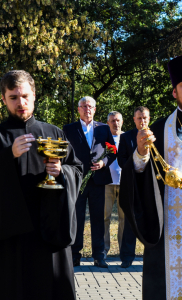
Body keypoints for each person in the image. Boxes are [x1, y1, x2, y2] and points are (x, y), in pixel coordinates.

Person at [0, 70, 83, 300]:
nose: (21, 103)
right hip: (12, 234)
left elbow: (77, 169)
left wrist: (61, 172)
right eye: (13, 97)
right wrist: (8, 154)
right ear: (3, 99)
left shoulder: (53, 133)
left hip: (49, 230)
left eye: (25, 96)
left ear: (34, 96)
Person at [119, 54, 182, 300]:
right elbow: (139, 178)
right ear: (175, 92)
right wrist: (141, 154)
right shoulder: (158, 131)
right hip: (170, 235)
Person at [63, 96, 116, 268]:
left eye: (90, 106)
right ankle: (74, 255)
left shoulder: (103, 128)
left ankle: (99, 256)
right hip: (77, 180)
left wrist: (103, 163)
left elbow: (113, 151)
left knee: (98, 219)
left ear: (95, 109)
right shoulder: (69, 129)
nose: (87, 109)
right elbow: (64, 154)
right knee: (76, 218)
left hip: (98, 180)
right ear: (78, 109)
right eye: (84, 106)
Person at [104, 111, 137, 268]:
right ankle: (103, 252)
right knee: (105, 218)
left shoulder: (128, 137)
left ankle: (124, 254)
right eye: (112, 121)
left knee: (125, 220)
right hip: (107, 184)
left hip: (125, 184)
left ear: (122, 122)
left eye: (117, 120)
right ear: (108, 122)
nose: (115, 123)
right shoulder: (103, 138)